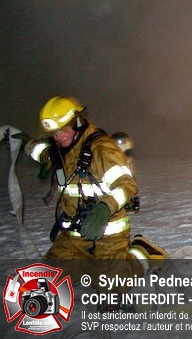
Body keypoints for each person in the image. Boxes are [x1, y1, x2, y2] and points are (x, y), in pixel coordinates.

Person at [28, 96, 165, 277]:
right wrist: (24, 144)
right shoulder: (61, 149)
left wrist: (103, 209)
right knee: (47, 278)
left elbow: (126, 184)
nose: (58, 136)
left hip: (107, 235)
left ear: (77, 123)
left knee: (109, 286)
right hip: (73, 237)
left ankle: (142, 253)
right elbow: (42, 153)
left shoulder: (101, 149)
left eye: (63, 130)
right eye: (54, 132)